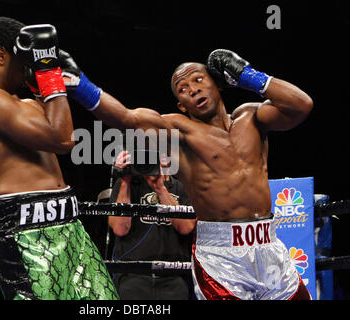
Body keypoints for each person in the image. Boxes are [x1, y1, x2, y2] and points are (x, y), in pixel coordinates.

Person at [57, 48, 313, 300]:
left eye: (199, 80)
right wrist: (81, 85)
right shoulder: (181, 133)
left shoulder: (251, 117)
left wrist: (247, 76)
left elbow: (301, 105)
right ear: (181, 105)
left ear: (218, 85)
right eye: (183, 89)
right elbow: (128, 118)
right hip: (221, 256)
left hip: (269, 244)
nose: (193, 89)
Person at [0, 17, 118, 300]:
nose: (29, 67)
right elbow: (62, 139)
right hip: (25, 234)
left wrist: (42, 86)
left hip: (69, 223)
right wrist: (49, 73)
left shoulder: (22, 102)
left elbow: (63, 129)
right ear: (1, 54)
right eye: (25, 59)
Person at [109, 150, 195, 300]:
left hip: (173, 279)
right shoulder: (126, 185)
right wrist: (124, 181)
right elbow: (120, 229)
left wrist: (160, 189)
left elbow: (186, 227)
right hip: (133, 276)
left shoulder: (181, 188)